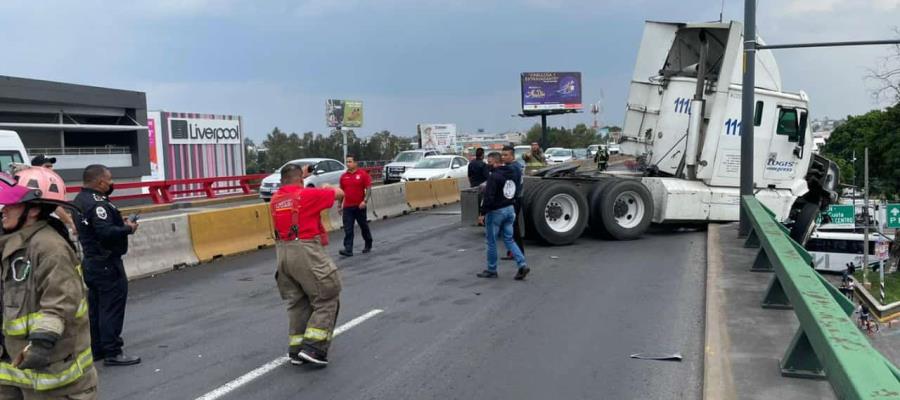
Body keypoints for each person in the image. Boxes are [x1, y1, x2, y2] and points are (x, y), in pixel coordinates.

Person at [0, 167, 98, 398]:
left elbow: (59, 304)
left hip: (56, 377)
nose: (3, 209)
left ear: (33, 209)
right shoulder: (10, 245)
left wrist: (41, 344)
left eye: (12, 204)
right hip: (16, 371)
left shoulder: (49, 248)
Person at [270, 163, 345, 366]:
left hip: (283, 254)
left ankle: (296, 350)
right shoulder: (307, 196)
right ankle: (314, 348)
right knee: (327, 294)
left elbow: (292, 185)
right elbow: (339, 193)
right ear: (300, 180)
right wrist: (328, 186)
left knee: (298, 303)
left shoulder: (276, 199)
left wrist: (299, 176)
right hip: (305, 251)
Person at [72, 164, 141, 366]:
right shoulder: (98, 204)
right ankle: (113, 351)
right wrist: (127, 228)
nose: (112, 183)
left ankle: (99, 349)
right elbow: (104, 232)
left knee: (96, 308)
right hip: (106, 263)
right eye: (109, 180)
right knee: (111, 307)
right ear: (100, 182)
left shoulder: (80, 200)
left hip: (92, 263)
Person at [477, 152, 528, 280]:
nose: (488, 165)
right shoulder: (513, 172)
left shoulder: (494, 177)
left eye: (489, 163)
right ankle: (522, 264)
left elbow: (489, 197)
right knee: (509, 239)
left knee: (491, 241)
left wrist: (482, 213)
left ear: (495, 163)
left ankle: (492, 269)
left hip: (496, 212)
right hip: (510, 209)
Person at [30, 154, 77, 236]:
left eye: (51, 166)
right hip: (41, 227)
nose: (51, 169)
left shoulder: (44, 181)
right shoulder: (37, 184)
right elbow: (56, 207)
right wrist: (71, 222)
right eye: (47, 166)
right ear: (37, 168)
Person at [339, 155, 373, 257]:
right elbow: (341, 192)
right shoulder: (343, 177)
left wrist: (365, 201)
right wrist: (339, 205)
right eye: (347, 162)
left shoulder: (362, 174)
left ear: (355, 163)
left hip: (359, 206)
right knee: (348, 229)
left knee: (363, 226)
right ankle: (348, 249)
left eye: (350, 161)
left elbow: (369, 188)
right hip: (347, 207)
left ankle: (368, 243)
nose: (348, 164)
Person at [500, 145, 525, 260]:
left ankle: (518, 252)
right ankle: (513, 251)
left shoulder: (512, 168)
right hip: (516, 199)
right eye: (502, 155)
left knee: (513, 227)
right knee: (512, 227)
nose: (503, 157)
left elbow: (511, 187)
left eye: (506, 155)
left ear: (512, 156)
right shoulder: (516, 166)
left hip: (514, 200)